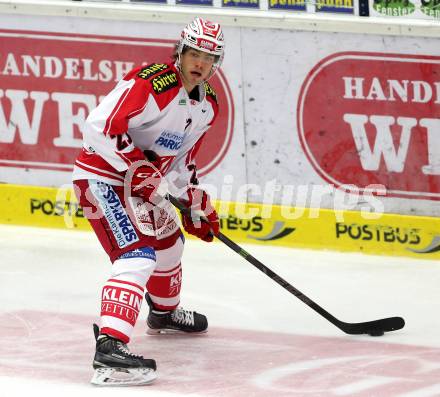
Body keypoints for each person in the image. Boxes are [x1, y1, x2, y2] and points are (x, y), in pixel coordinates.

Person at [72, 17, 224, 386]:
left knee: (170, 244)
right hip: (102, 179)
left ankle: (163, 315)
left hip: (140, 184)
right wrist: (136, 166)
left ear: (216, 63)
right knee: (137, 255)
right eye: (194, 53)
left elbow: (181, 163)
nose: (199, 62)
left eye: (208, 56)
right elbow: (99, 126)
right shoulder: (152, 82)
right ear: (181, 51)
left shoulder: (207, 106)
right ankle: (109, 349)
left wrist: (193, 202)